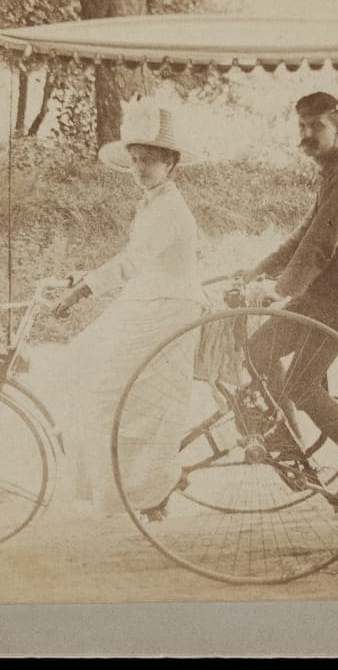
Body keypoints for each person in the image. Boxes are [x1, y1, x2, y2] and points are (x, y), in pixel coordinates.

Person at [53, 103, 208, 521]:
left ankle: (153, 484)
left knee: (117, 396)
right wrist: (80, 277)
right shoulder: (154, 203)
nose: (140, 169)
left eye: (150, 161)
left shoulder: (170, 208)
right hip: (149, 301)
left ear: (170, 163)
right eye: (136, 161)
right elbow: (136, 261)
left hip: (170, 310)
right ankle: (124, 482)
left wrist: (82, 290)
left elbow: (133, 262)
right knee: (82, 360)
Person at [236, 91, 338, 509]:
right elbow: (304, 235)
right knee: (257, 350)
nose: (307, 135)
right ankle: (291, 447)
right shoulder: (332, 173)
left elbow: (320, 245)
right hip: (324, 290)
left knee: (301, 384)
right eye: (302, 127)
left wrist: (279, 289)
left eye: (316, 126)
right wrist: (258, 270)